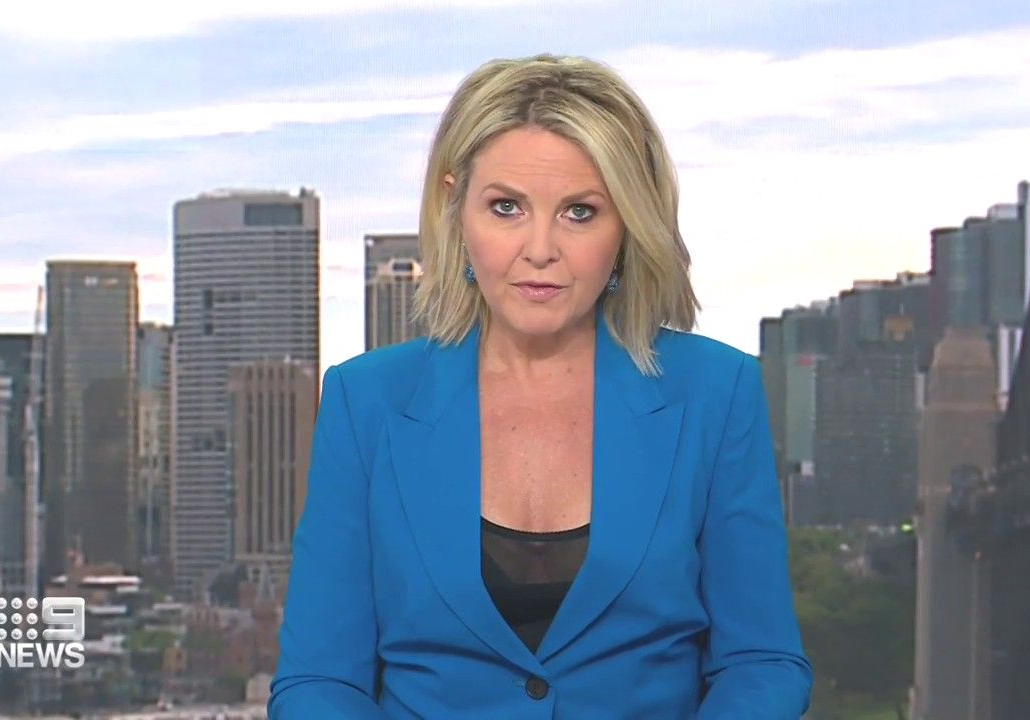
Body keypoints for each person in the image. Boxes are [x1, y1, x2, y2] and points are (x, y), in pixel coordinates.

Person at [269, 53, 813, 718]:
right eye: (506, 208)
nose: (539, 249)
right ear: (455, 209)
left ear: (628, 225)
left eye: (579, 212)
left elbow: (760, 664)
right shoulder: (366, 402)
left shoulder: (717, 393)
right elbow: (319, 681)